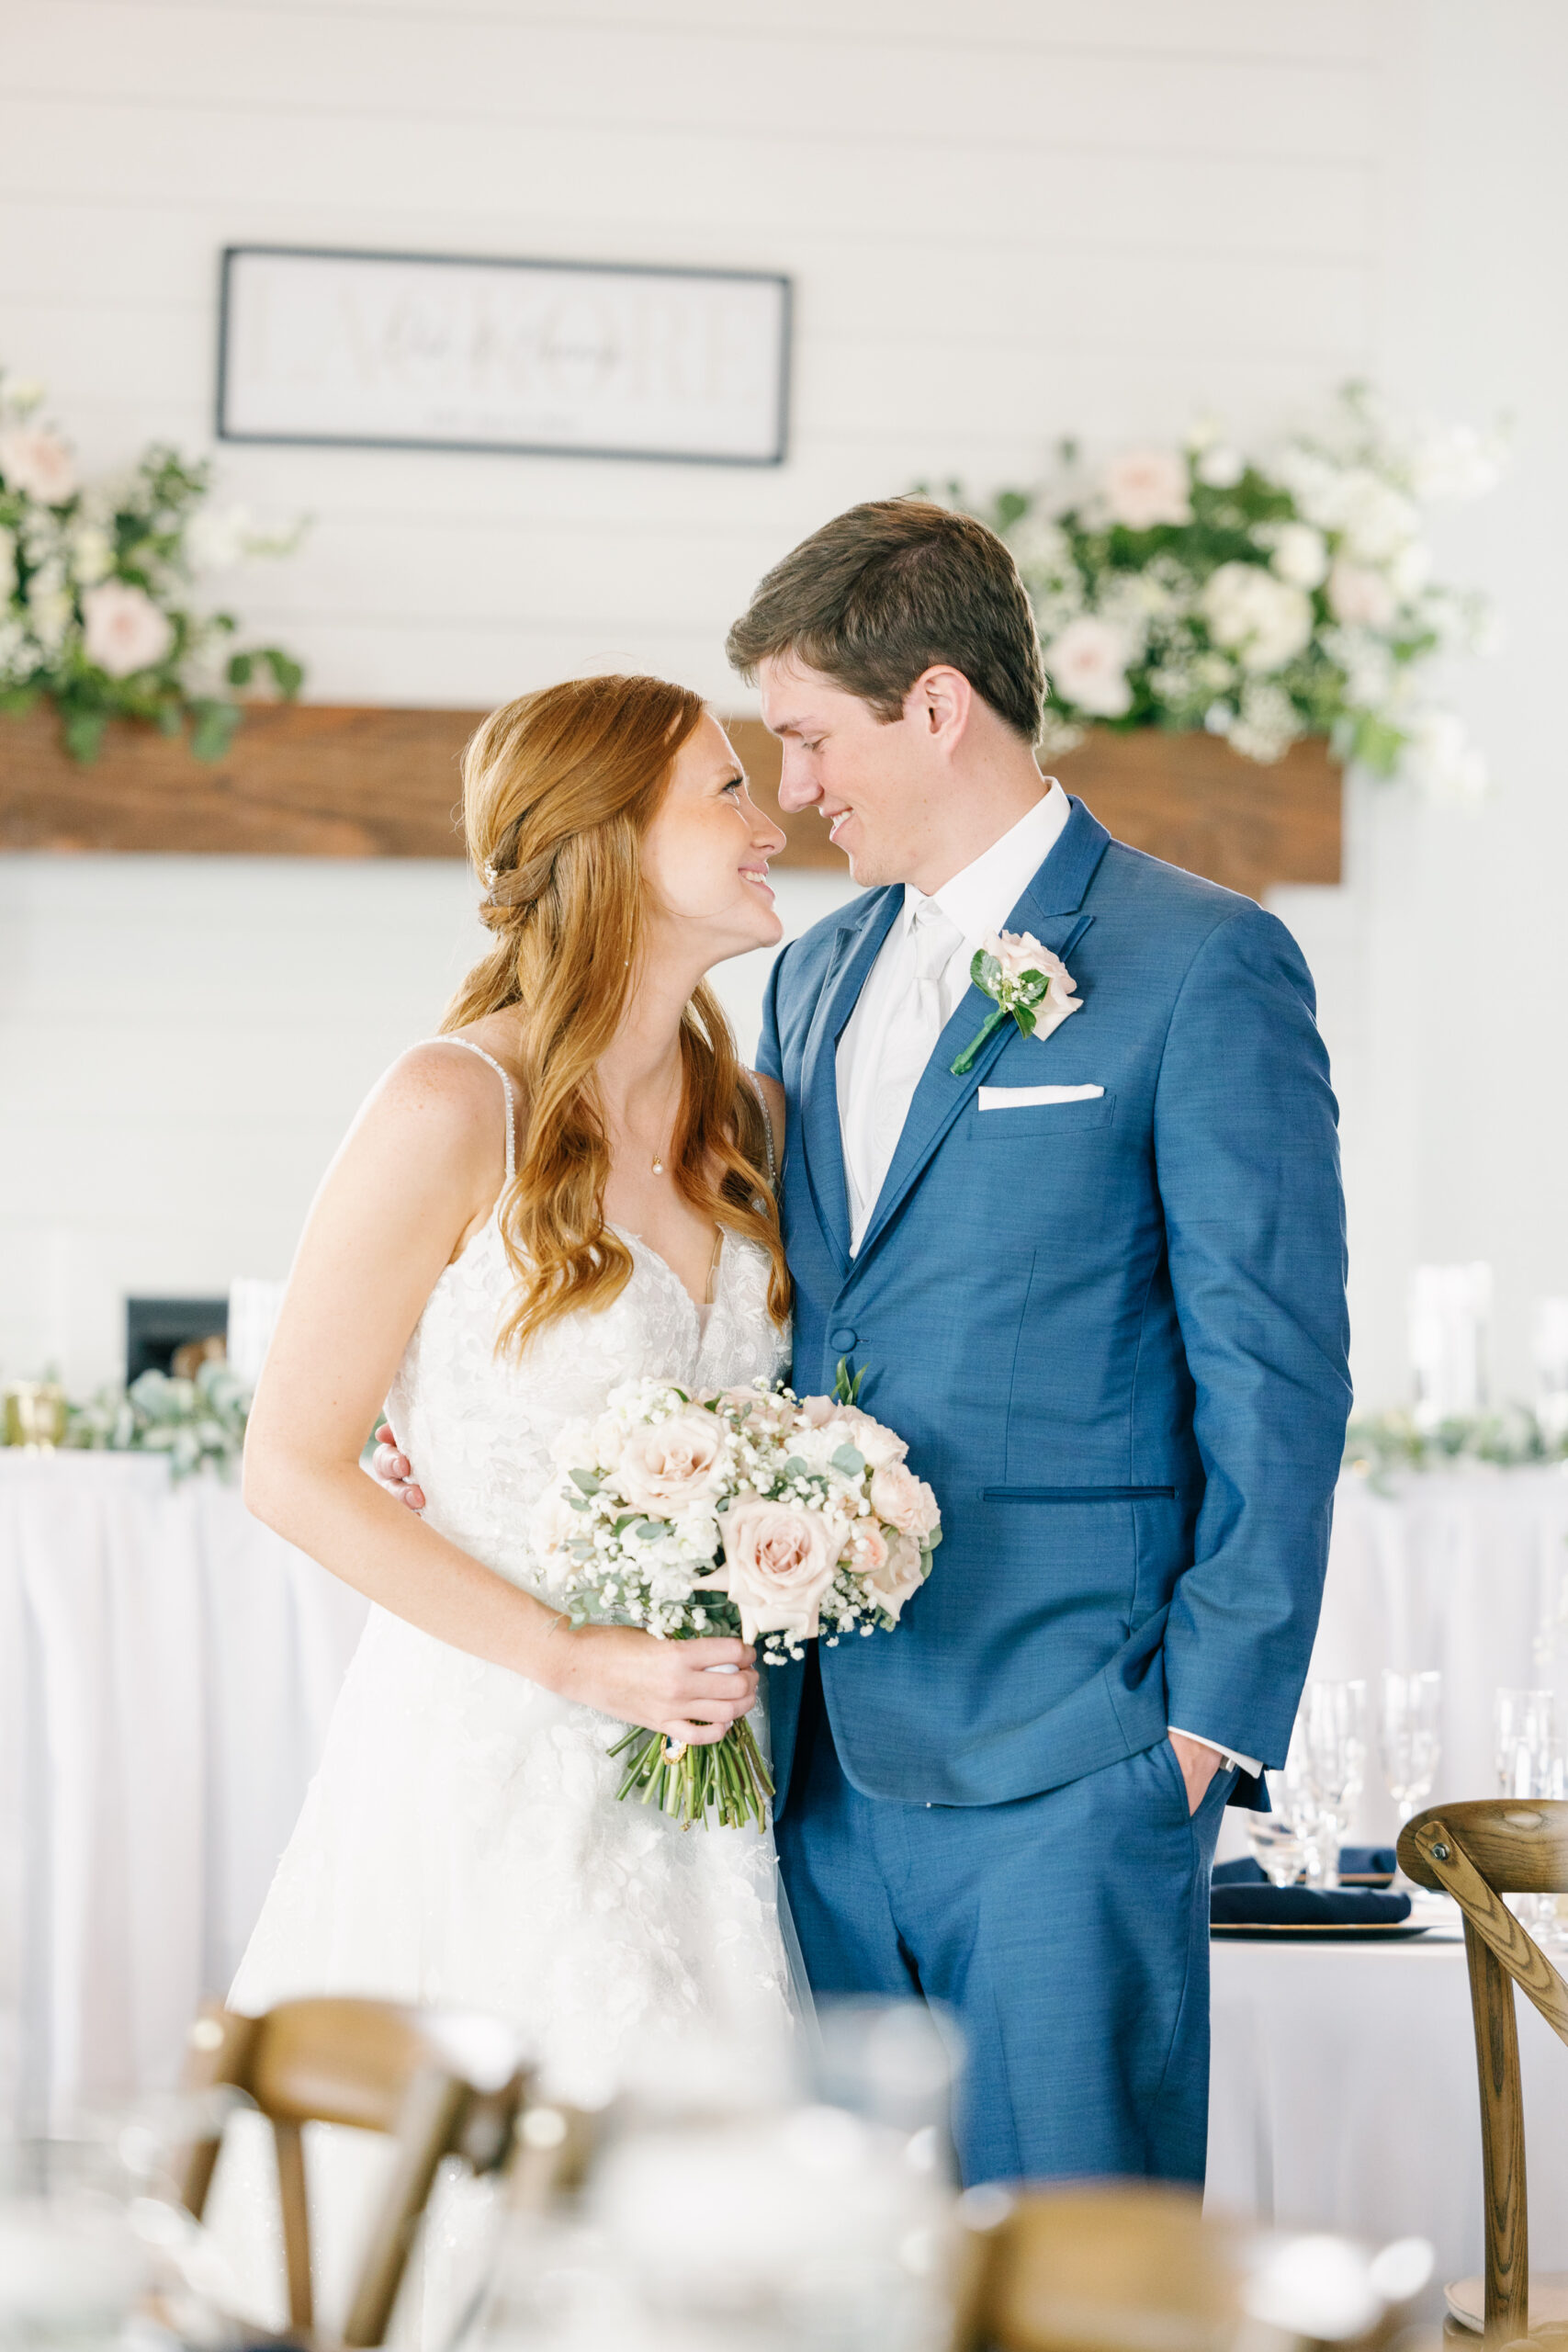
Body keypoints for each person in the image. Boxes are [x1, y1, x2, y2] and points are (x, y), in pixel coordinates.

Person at [725, 497, 1352, 2186]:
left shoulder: (1204, 962)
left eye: (807, 738)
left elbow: (1278, 1374)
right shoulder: (810, 976)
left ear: (935, 708)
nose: (791, 790)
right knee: (853, 2282)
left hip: (1079, 1755)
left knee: (1073, 2275)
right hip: (824, 1766)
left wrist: (1198, 1734)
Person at [230, 673, 800, 2104]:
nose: (773, 819)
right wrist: (570, 1657)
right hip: (492, 1762)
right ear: (610, 835)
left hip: (713, 1784)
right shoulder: (446, 1104)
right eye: (728, 788)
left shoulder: (751, 1122)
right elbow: (290, 1465)